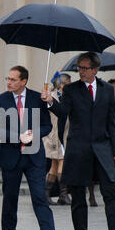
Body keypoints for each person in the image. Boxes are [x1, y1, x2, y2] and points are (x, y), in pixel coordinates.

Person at [41, 52, 115, 230]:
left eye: (85, 68)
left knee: (110, 192)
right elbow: (63, 112)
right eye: (79, 67)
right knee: (78, 195)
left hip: (102, 148)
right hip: (78, 148)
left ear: (95, 69)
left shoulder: (106, 90)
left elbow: (113, 122)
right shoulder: (71, 89)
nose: (81, 71)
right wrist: (50, 101)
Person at [0, 65, 61, 230]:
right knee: (10, 199)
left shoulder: (37, 98)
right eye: (7, 78)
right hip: (11, 157)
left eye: (13, 79)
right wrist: (18, 137)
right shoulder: (1, 99)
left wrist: (34, 134)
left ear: (24, 81)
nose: (9, 82)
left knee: (39, 196)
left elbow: (47, 126)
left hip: (34, 158)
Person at [43, 72, 71, 205]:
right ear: (61, 85)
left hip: (63, 135)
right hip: (54, 136)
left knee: (54, 165)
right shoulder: (52, 97)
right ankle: (63, 194)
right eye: (68, 84)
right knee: (62, 163)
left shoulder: (66, 97)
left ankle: (47, 194)